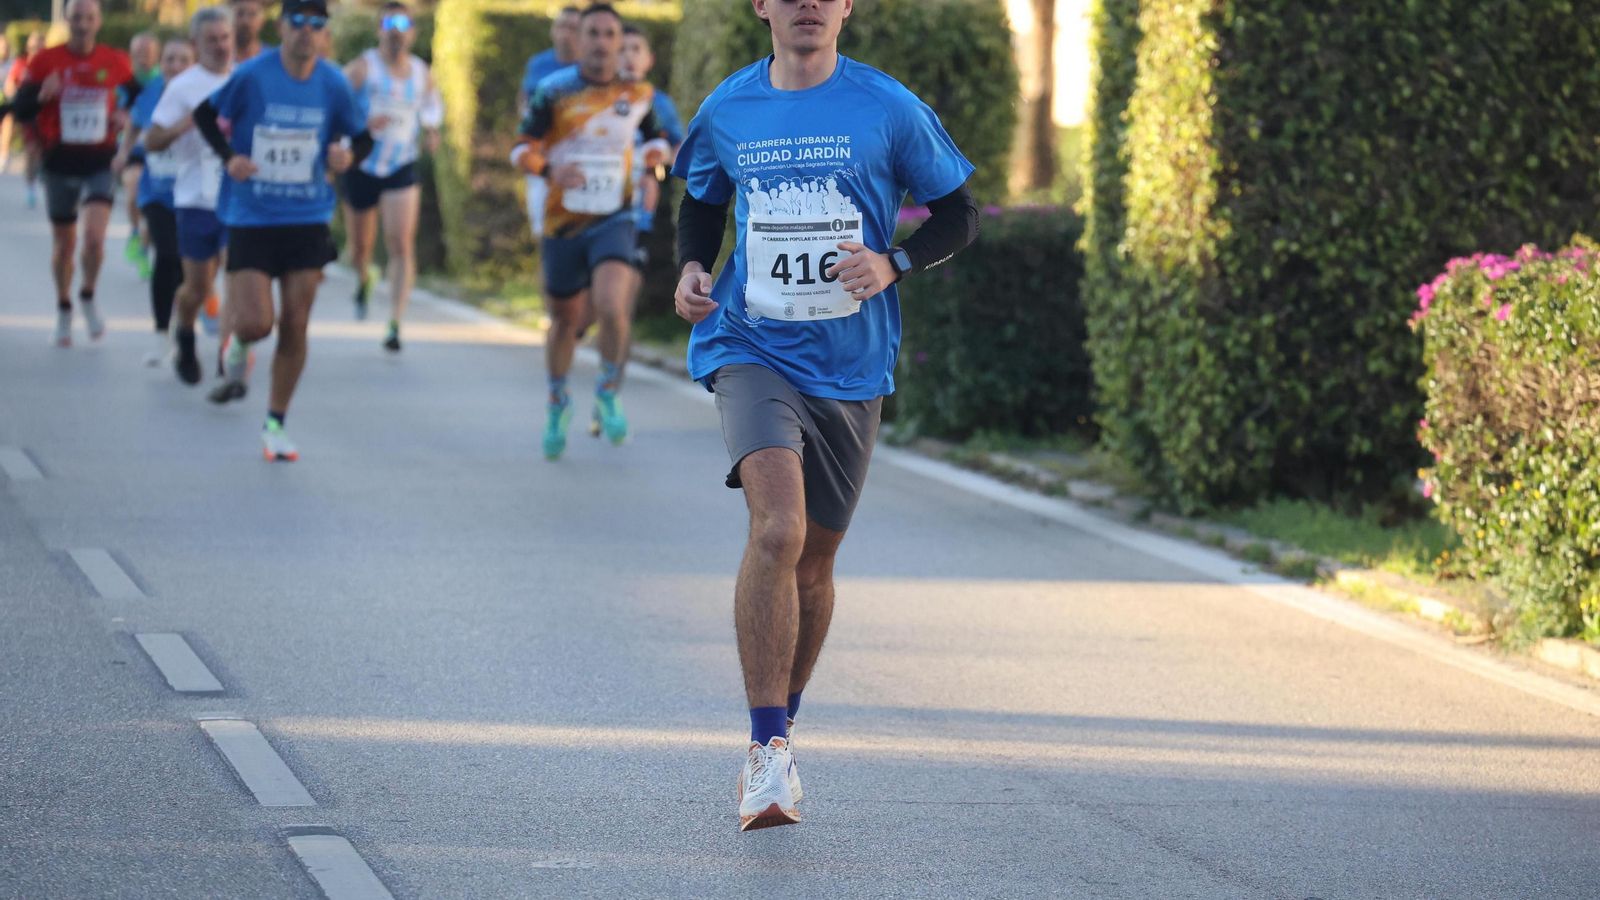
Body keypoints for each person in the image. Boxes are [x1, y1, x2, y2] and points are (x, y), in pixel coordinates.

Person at [671, 0, 979, 831]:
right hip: (750, 346)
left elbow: (959, 211)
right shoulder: (729, 106)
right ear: (762, 7)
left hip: (851, 366)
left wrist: (895, 259)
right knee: (779, 531)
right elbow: (701, 200)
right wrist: (694, 267)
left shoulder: (888, 106)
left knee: (816, 563)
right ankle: (764, 753)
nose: (808, 2)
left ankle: (787, 724)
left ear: (845, 8)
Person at [193, 0, 372, 461]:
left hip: (307, 216)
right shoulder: (254, 75)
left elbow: (362, 136)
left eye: (317, 24)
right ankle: (238, 348)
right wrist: (229, 157)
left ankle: (276, 423)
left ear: (325, 33)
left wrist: (347, 157)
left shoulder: (332, 82)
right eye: (299, 23)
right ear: (282, 27)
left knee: (296, 322)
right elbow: (205, 116)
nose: (307, 32)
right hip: (252, 214)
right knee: (256, 322)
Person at [511, 3, 670, 460]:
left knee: (612, 303)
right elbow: (520, 149)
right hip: (563, 220)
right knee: (563, 319)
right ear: (578, 41)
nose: (601, 42)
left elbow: (656, 138)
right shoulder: (552, 90)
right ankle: (558, 398)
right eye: (593, 34)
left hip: (614, 216)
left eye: (609, 34)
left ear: (620, 43)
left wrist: (657, 154)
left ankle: (606, 389)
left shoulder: (638, 93)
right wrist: (549, 168)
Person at [10, 0, 137, 347]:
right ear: (68, 21)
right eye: (77, 17)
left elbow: (139, 99)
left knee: (94, 238)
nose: (83, 24)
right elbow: (19, 108)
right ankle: (64, 307)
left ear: (98, 22)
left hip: (99, 158)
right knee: (64, 245)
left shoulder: (115, 61)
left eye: (89, 17)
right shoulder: (45, 61)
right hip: (59, 159)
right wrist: (41, 97)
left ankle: (88, 294)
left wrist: (126, 115)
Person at [340, 0, 442, 347]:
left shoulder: (420, 72)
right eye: (390, 26)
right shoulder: (362, 68)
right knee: (360, 248)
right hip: (363, 163)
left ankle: (395, 323)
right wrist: (359, 125)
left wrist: (431, 128)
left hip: (401, 164)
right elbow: (336, 104)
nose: (397, 33)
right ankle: (363, 275)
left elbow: (432, 105)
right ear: (379, 30)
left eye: (403, 26)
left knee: (400, 242)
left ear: (413, 33)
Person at [145, 5, 234, 386]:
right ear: (197, 44)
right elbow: (151, 140)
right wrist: (185, 124)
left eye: (225, 38)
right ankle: (184, 333)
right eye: (211, 40)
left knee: (238, 276)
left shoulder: (244, 79)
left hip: (237, 198)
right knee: (197, 286)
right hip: (195, 198)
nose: (220, 46)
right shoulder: (183, 86)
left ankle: (227, 355)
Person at [121, 37, 194, 365]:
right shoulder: (150, 92)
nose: (176, 66)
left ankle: (185, 320)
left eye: (183, 60)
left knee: (188, 265)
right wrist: (123, 154)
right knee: (167, 255)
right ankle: (161, 334)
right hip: (157, 191)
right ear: (160, 63)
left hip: (193, 194)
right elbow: (134, 126)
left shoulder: (204, 93)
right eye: (170, 59)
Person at [516, 4, 579, 242]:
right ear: (553, 30)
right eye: (561, 26)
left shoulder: (590, 70)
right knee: (545, 233)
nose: (566, 33)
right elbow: (523, 101)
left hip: (577, 163)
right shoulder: (537, 64)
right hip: (541, 162)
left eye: (573, 28)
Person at [117, 30, 160, 275]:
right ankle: (135, 233)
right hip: (133, 147)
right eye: (138, 52)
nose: (142, 57)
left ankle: (145, 241)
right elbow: (114, 109)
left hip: (161, 150)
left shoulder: (164, 81)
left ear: (156, 54)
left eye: (147, 52)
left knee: (153, 211)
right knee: (133, 188)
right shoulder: (124, 81)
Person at [7, 32, 46, 207]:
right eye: (35, 47)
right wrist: (16, 101)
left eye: (41, 48)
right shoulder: (22, 64)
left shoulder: (49, 66)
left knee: (44, 150)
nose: (38, 51)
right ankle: (30, 187)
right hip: (29, 113)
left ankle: (45, 176)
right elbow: (10, 85)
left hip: (47, 113)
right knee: (31, 150)